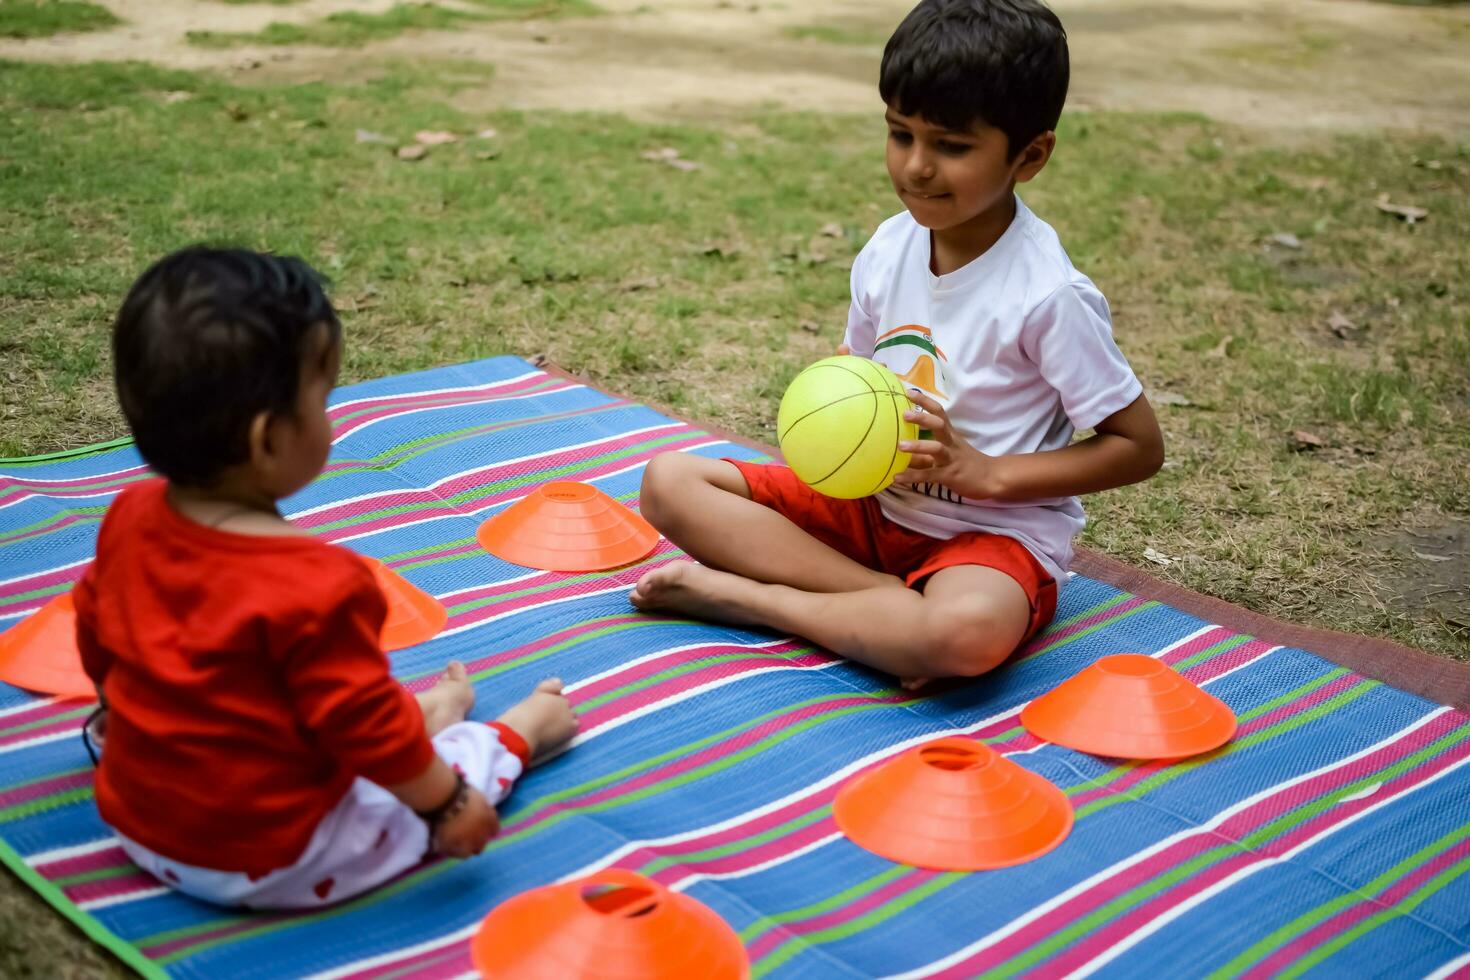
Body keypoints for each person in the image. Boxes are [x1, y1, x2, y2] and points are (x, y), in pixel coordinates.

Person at [631, 0, 1164, 686]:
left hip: (987, 540)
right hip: (870, 506)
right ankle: (874, 602)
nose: (915, 167)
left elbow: (1137, 447)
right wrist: (833, 414)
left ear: (1029, 155)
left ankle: (759, 601)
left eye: (952, 145)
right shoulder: (890, 247)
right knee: (669, 482)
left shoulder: (1047, 295)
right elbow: (859, 369)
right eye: (900, 134)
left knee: (961, 637)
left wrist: (988, 474)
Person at [75, 247, 578, 908]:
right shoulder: (316, 583)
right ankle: (521, 729)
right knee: (424, 763)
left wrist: (132, 715)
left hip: (137, 821)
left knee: (330, 701)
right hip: (273, 856)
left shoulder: (129, 516)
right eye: (326, 395)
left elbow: (98, 635)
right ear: (267, 440)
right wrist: (449, 804)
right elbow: (362, 729)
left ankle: (429, 711)